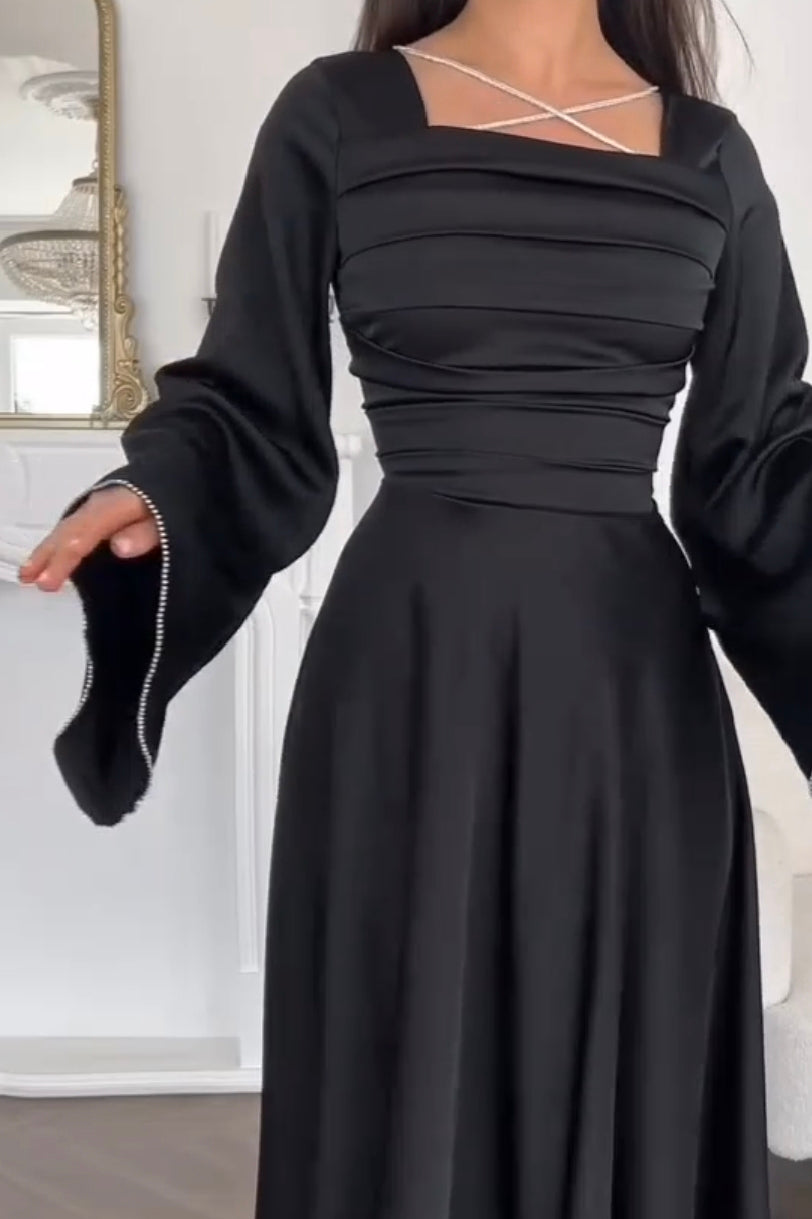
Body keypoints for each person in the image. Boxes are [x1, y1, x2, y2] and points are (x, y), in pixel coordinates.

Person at [18, 0, 810, 1214]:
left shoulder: (708, 153)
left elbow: (756, 458)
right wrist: (162, 492)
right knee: (405, 1037)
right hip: (408, 668)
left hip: (631, 698)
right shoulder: (337, 113)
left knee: (621, 1047)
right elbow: (247, 398)